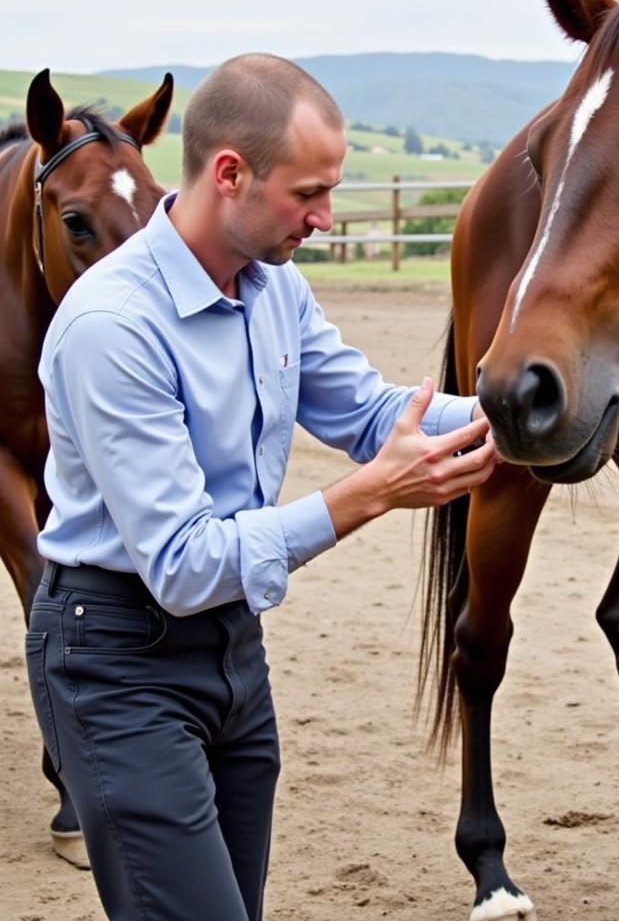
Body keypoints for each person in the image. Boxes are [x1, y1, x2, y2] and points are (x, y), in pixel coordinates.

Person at [25, 53, 497, 921]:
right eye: (308, 193)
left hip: (234, 653)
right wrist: (369, 496)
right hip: (115, 660)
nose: (323, 218)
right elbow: (181, 562)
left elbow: (369, 411)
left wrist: (521, 413)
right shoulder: (111, 327)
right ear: (230, 173)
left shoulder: (273, 287)